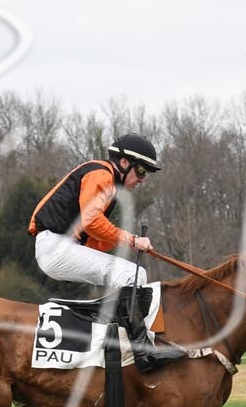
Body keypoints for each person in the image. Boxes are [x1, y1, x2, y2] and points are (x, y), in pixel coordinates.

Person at [27, 132, 184, 372]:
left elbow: (93, 239)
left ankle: (119, 339)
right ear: (124, 162)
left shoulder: (107, 183)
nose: (142, 180)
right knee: (132, 275)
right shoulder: (101, 175)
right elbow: (92, 222)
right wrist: (132, 240)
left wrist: (128, 243)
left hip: (61, 246)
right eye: (141, 171)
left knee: (133, 274)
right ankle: (141, 353)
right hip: (56, 247)